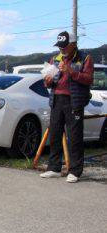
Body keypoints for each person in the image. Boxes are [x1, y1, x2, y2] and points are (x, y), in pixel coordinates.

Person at [40, 31, 94, 183]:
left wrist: (71, 72)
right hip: (56, 99)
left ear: (73, 44)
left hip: (74, 100)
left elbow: (89, 79)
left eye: (64, 46)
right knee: (55, 134)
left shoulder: (85, 58)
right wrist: (48, 81)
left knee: (75, 136)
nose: (61, 49)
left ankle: (75, 171)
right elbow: (49, 83)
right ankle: (54, 168)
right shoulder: (55, 58)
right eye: (59, 46)